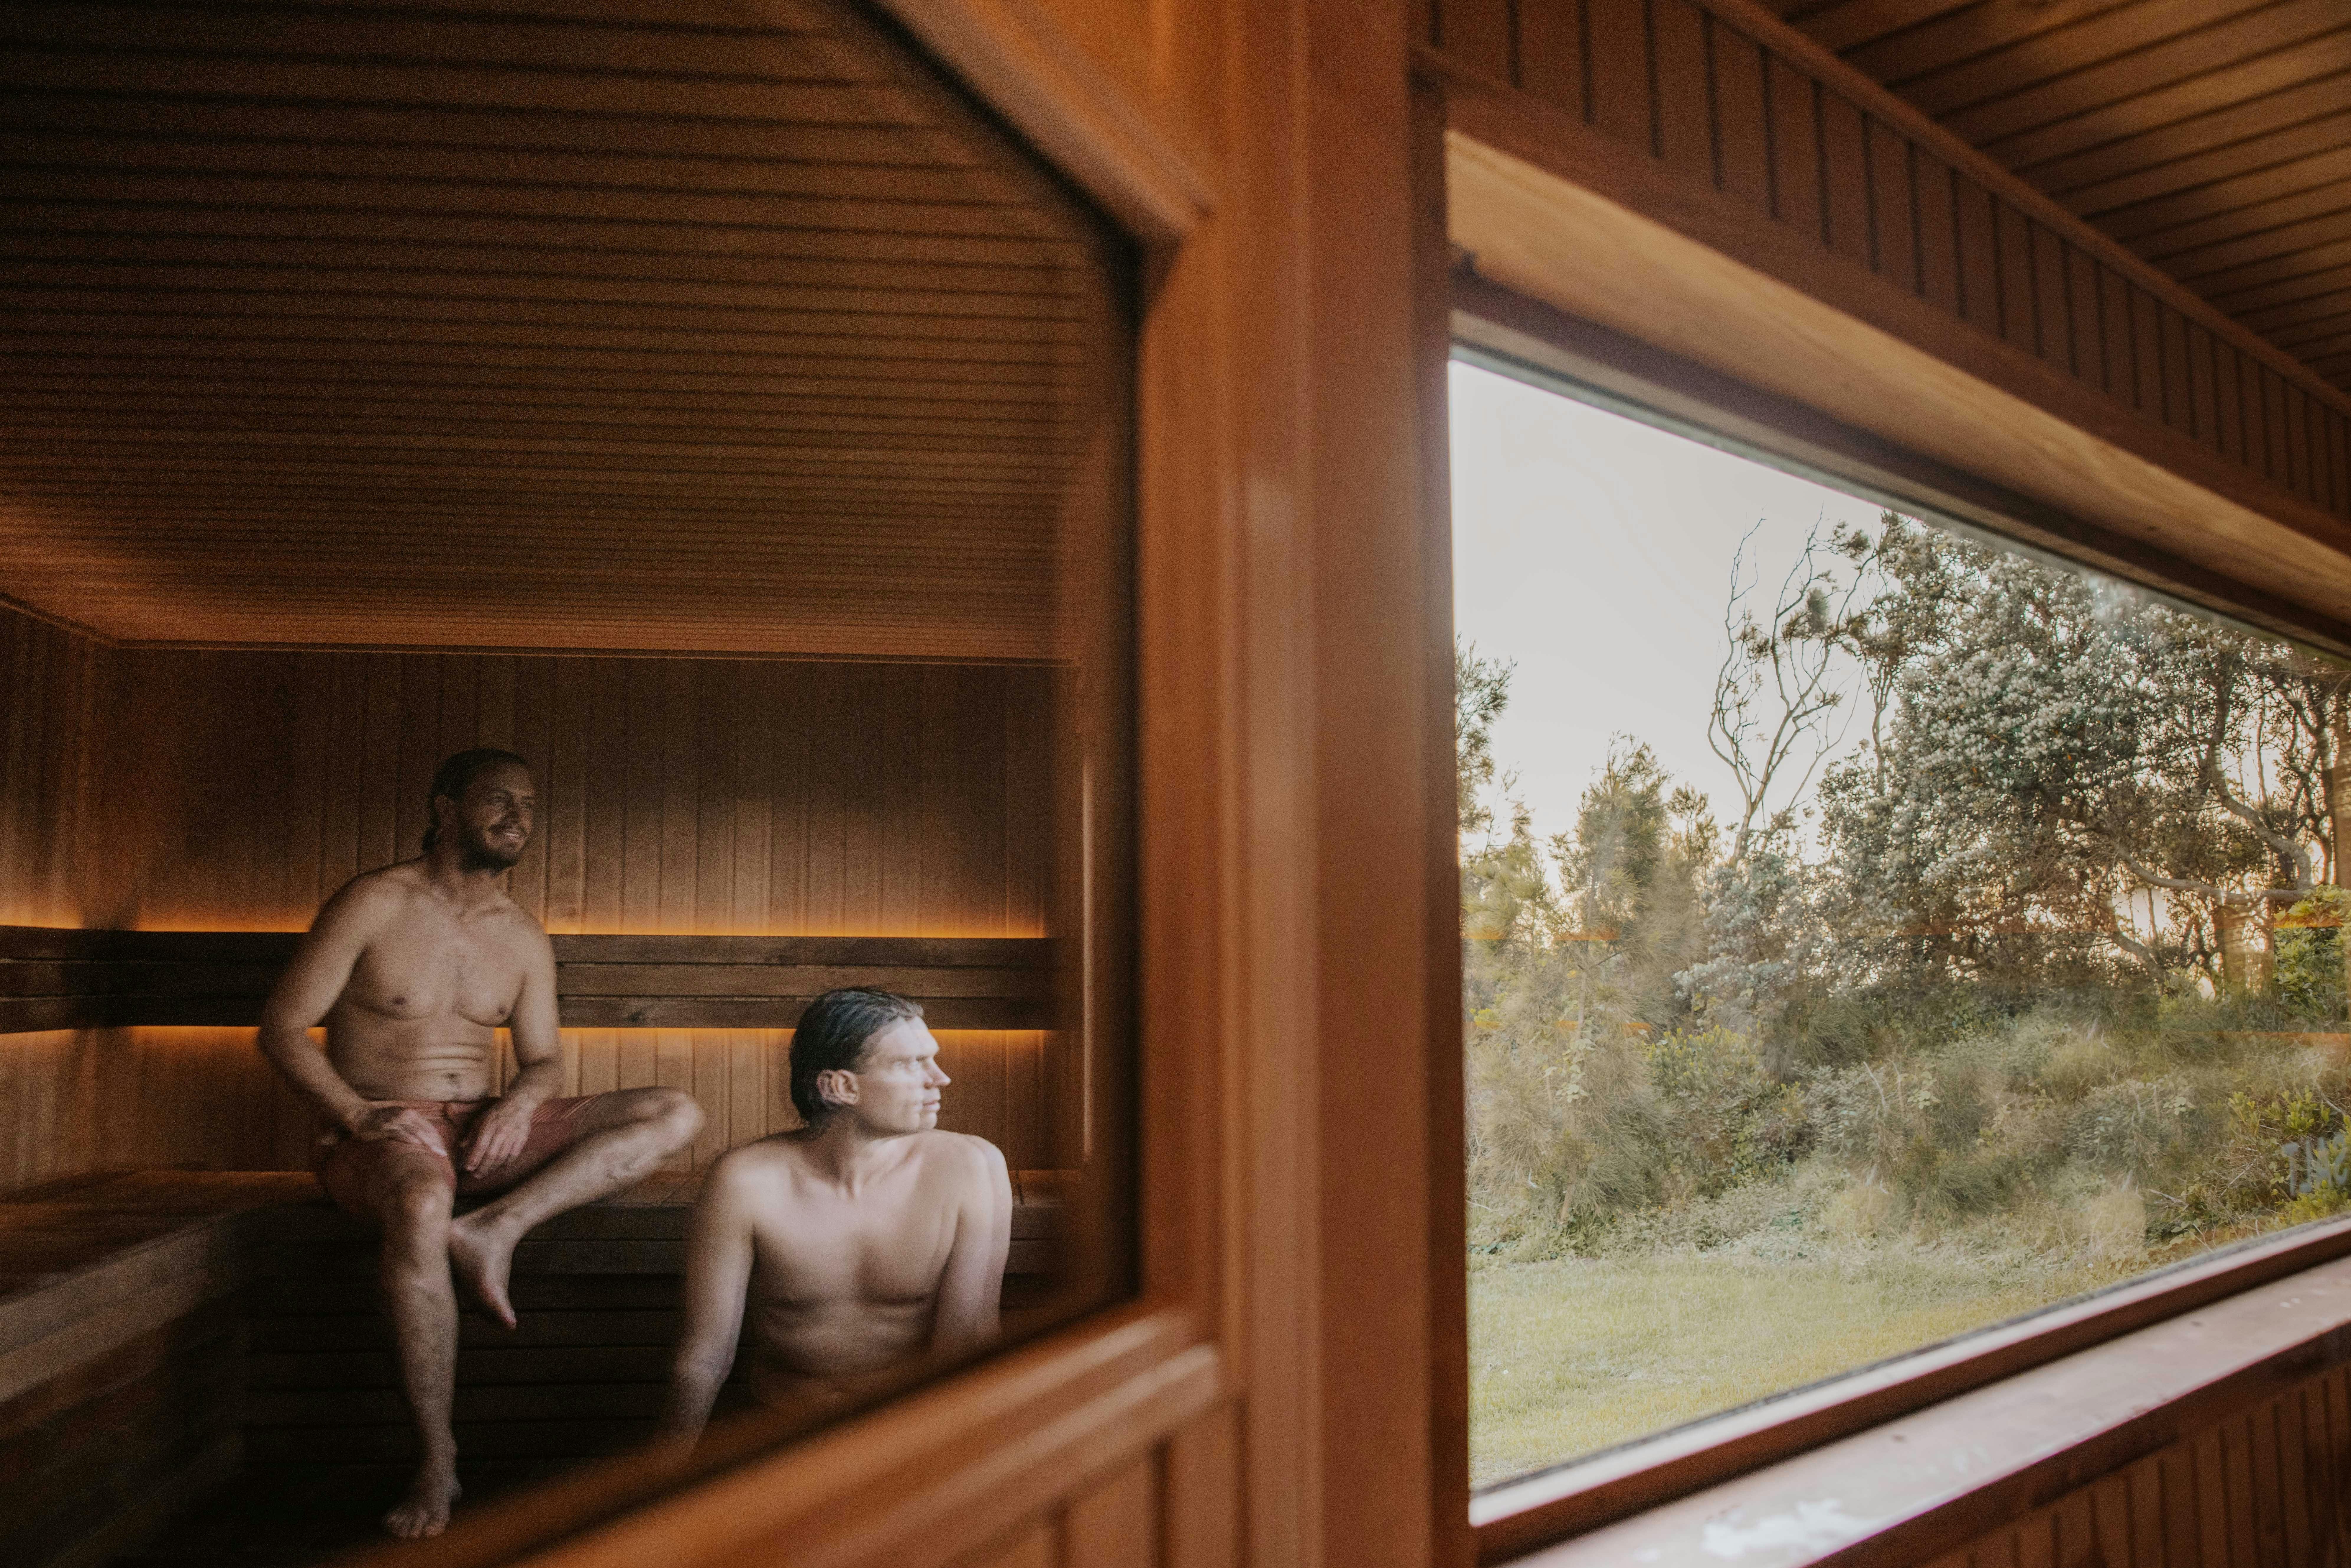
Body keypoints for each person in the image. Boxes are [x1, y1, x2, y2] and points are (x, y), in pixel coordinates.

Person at [257, 747, 704, 1539]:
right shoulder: (373, 901)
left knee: (675, 1111)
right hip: (385, 1130)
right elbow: (283, 1030)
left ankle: (497, 1227)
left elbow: (541, 1060)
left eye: (528, 807)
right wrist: (358, 1118)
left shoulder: (521, 936)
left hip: (481, 1126)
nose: (517, 818)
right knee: (424, 1202)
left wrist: (518, 1104)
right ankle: (438, 1458)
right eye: (498, 800)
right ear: (444, 808)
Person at [658, 988, 1011, 1446]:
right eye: (910, 1065)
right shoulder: (745, 1181)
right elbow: (706, 1356)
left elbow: (966, 1342)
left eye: (932, 1059)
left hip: (909, 1433)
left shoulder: (969, 1167)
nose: (939, 1079)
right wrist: (665, 1472)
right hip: (782, 1432)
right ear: (841, 1087)